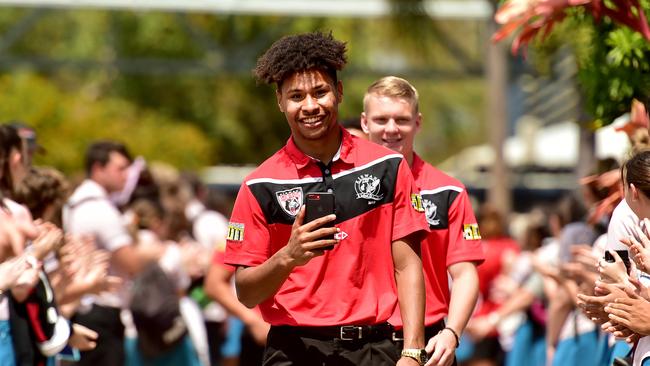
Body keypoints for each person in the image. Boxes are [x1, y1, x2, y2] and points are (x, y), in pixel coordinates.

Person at [223, 32, 430, 366]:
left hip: (375, 349)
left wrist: (413, 351)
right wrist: (288, 256)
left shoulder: (388, 167)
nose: (310, 106)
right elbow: (246, 293)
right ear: (280, 101)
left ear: (339, 92)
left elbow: (407, 265)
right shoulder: (258, 184)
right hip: (293, 351)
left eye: (320, 92)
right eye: (296, 96)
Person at [360, 76, 484, 366]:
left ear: (418, 122)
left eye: (401, 120)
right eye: (381, 120)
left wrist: (452, 333)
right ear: (365, 123)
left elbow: (465, 274)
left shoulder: (448, 191)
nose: (391, 129)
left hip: (429, 345)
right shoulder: (343, 187)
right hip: (357, 345)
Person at [63, 141, 165, 366]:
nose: (127, 175)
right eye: (120, 168)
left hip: (85, 309)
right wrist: (157, 251)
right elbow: (132, 263)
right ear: (98, 168)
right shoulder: (99, 209)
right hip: (100, 313)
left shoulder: (76, 202)